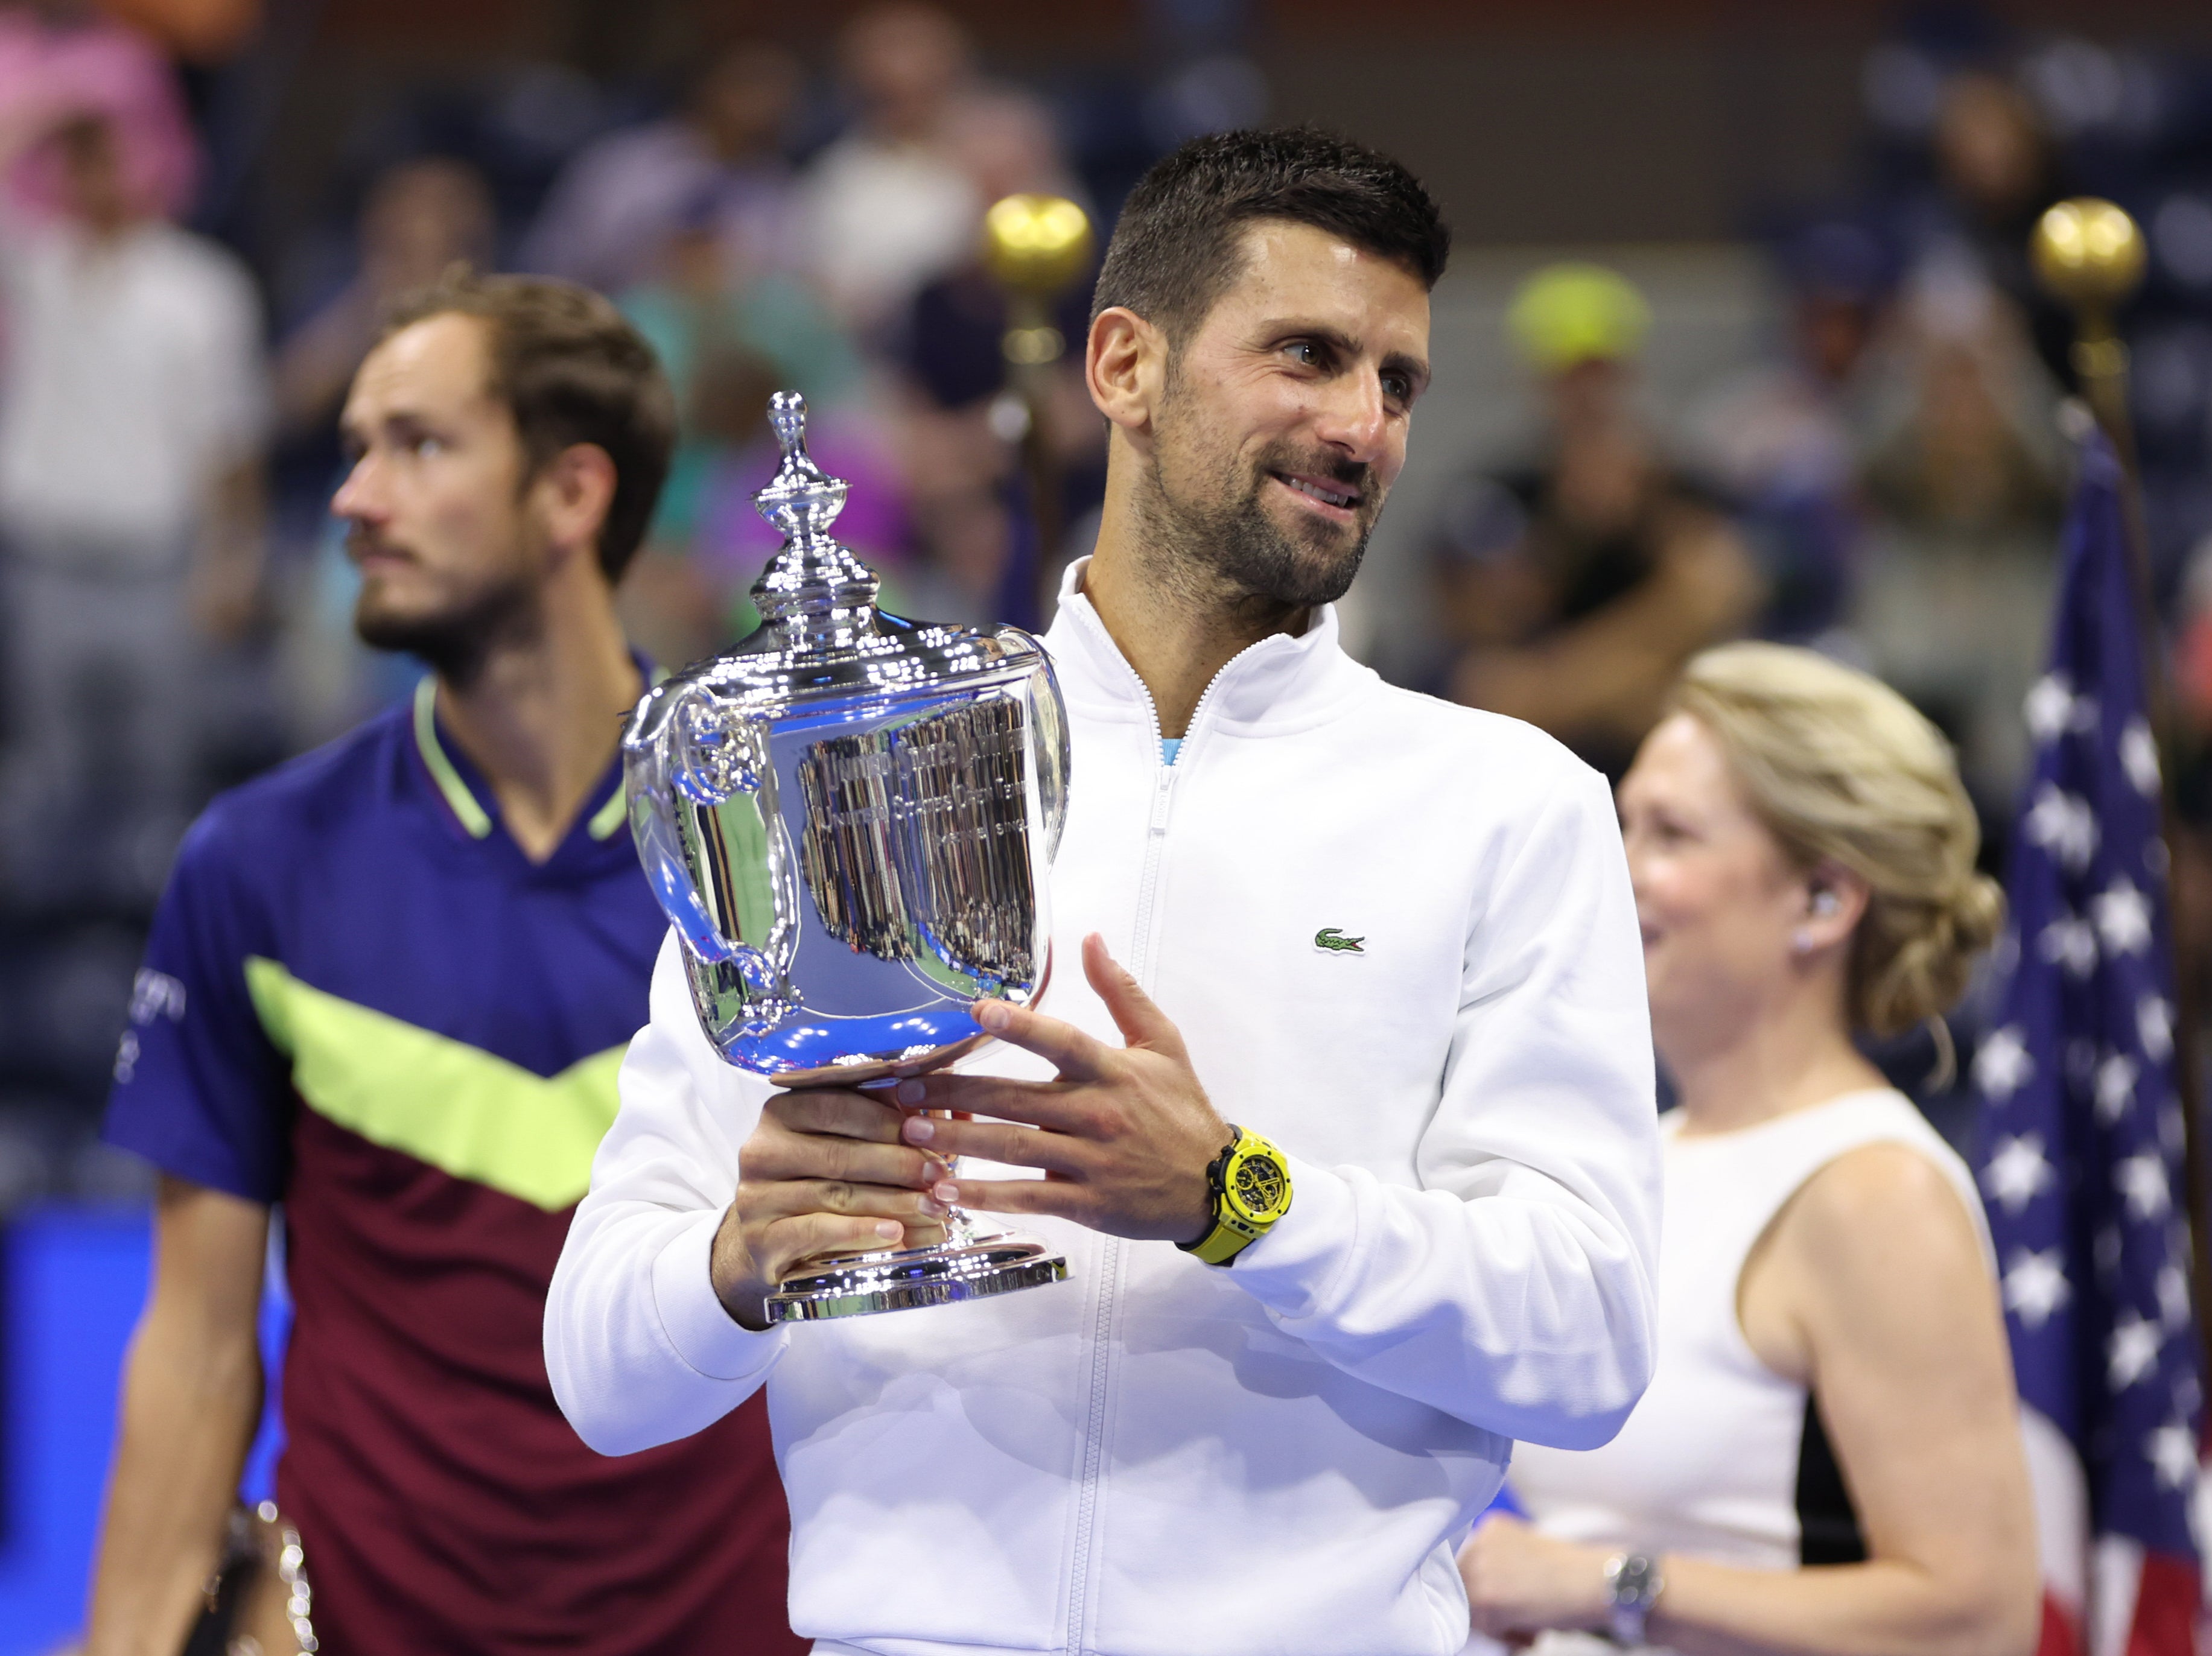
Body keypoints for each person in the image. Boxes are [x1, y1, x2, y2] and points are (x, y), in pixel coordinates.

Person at [548, 127, 1663, 1655]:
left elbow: (1585, 1343)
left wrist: (1233, 1200)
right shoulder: (851, 765)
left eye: (1394, 382)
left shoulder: (1504, 805)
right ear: (1122, 366)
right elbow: (601, 1374)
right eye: (1306, 356)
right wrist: (738, 1263)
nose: (1362, 425)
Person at [88, 273, 804, 1655]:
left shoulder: (777, 850)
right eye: (353, 449)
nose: (353, 499)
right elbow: (193, 1344)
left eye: (416, 445)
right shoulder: (256, 860)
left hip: (744, 1625)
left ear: (570, 495)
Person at [1458, 643, 2037, 1656]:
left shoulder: (1873, 1191)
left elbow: (1977, 1618)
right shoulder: (1641, 1152)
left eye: (1671, 835)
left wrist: (1605, 1583)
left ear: (1822, 900)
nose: (1616, 869)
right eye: (1621, 824)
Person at [0, 103, 267, 893]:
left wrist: (232, 563)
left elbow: (233, 439)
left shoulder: (201, 287)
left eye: (109, 158)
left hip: (159, 573)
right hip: (49, 568)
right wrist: (32, 126)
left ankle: (155, 947)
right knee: (52, 779)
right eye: (79, 163)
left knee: (161, 783)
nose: (96, 178)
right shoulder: (41, 269)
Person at [1435, 262, 1761, 781]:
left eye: (1599, 372)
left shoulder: (1677, 487)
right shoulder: (1501, 489)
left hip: (1597, 716)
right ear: (1538, 380)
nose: (1586, 393)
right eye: (1569, 375)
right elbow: (1485, 630)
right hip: (1551, 748)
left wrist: (1562, 687)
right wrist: (1572, 531)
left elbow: (1721, 593)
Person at [520, 39, 803, 299]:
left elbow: (783, 292)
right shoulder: (624, 166)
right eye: (754, 85)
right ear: (709, 87)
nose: (771, 103)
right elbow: (559, 266)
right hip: (613, 322)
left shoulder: (776, 185)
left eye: (782, 89)